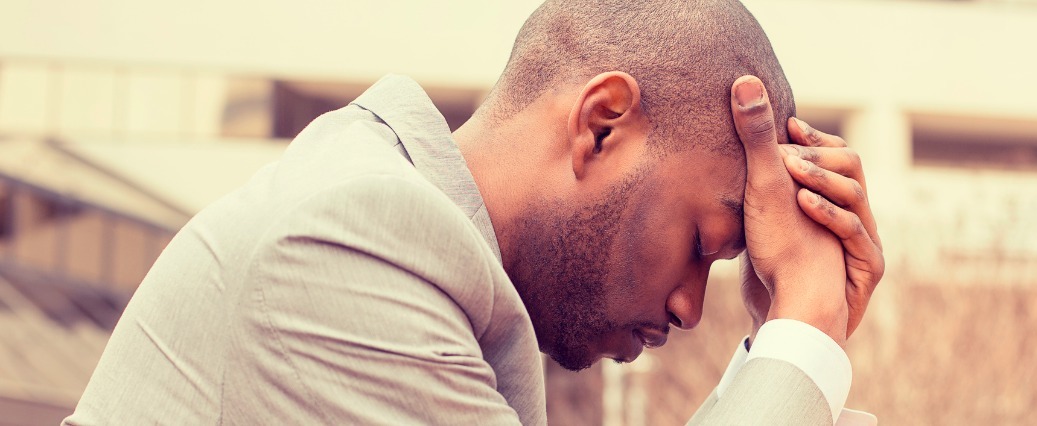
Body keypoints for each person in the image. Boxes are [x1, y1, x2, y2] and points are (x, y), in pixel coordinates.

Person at [65, 0, 885, 424]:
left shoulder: (405, 251)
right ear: (603, 125)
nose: (688, 305)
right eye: (704, 242)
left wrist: (786, 346)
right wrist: (806, 328)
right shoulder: (347, 245)